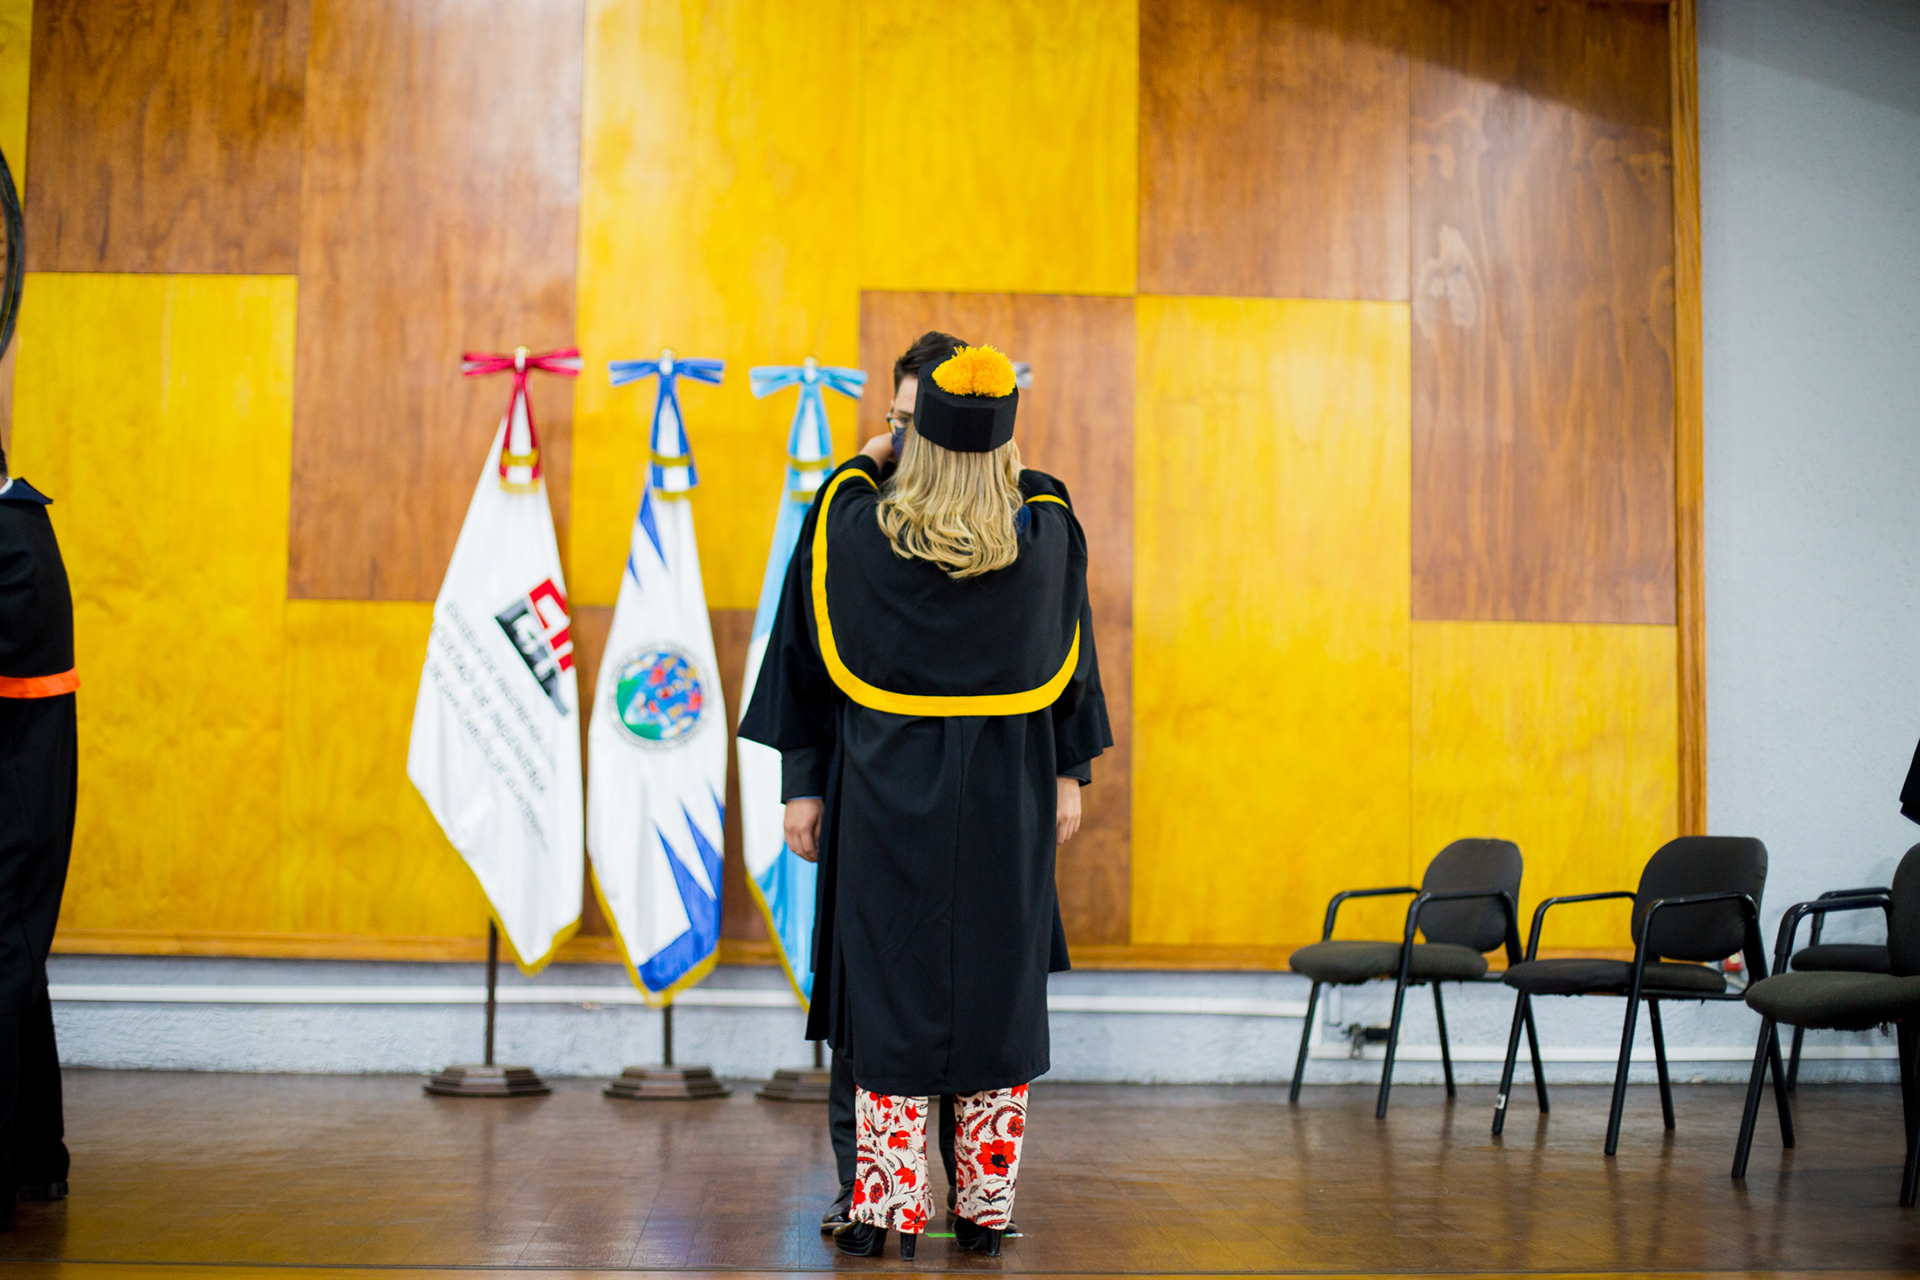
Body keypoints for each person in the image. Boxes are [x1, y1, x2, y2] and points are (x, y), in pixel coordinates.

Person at [741, 337, 1109, 1259]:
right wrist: (1067, 767)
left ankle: (889, 1207)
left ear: (919, 443)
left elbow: (807, 627)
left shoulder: (857, 533)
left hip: (884, 798)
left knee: (888, 993)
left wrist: (864, 460)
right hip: (1004, 806)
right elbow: (1072, 645)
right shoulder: (1044, 538)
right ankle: (984, 1209)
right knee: (996, 997)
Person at [0, 442, 78, 1228]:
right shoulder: (19, 525)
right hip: (19, 790)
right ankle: (35, 1157)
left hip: (16, 800)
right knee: (18, 974)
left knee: (2, 971)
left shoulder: (14, 536)